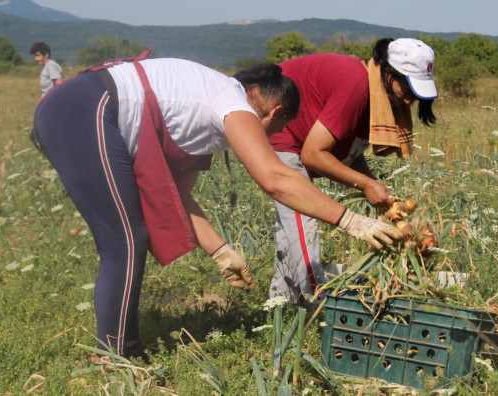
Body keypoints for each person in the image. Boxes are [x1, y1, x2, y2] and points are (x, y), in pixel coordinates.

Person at [32, 52, 403, 361]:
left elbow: (179, 196)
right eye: (273, 133)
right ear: (273, 114)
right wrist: (353, 221)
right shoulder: (231, 102)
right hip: (84, 108)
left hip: (79, 110)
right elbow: (275, 178)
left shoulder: (206, 119)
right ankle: (113, 358)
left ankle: (124, 351)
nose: (267, 140)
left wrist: (222, 251)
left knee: (129, 240)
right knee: (124, 243)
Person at [268, 38, 438, 304]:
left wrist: (371, 184)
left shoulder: (377, 95)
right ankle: (320, 305)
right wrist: (366, 184)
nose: (410, 98)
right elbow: (313, 154)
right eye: (407, 86)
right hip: (280, 129)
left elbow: (348, 149)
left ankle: (280, 303)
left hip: (300, 140)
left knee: (292, 229)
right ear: (388, 73)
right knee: (302, 215)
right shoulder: (356, 86)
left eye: (416, 93)